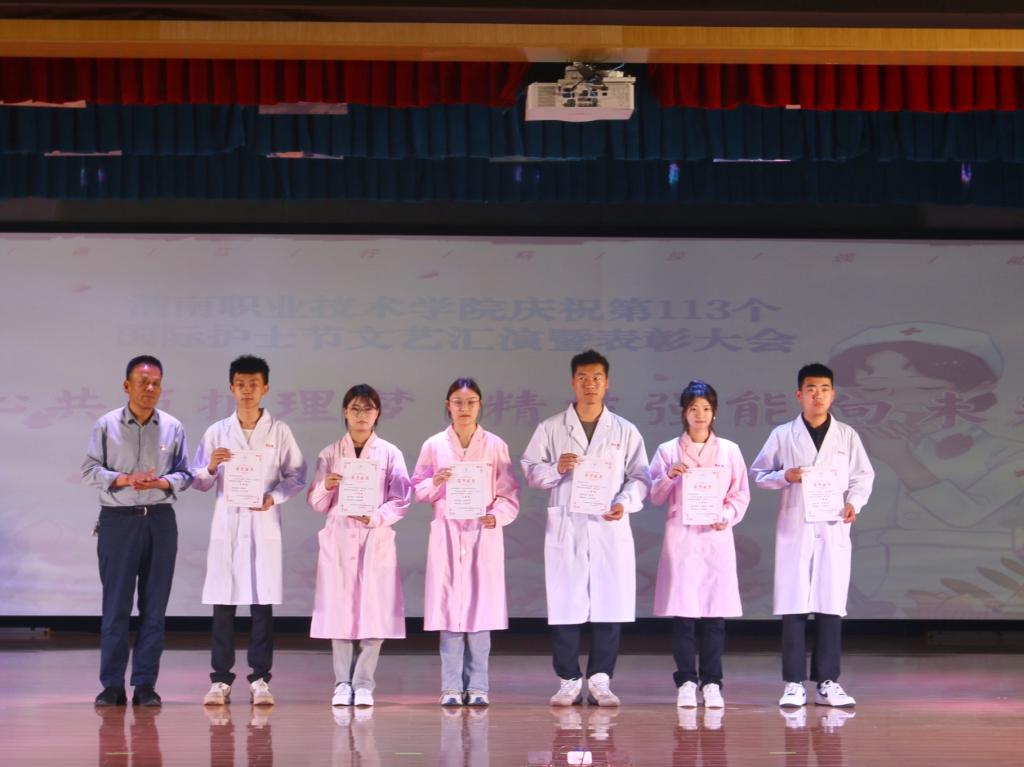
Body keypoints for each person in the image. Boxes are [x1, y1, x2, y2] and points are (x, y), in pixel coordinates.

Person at [828, 322, 1024, 618]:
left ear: (977, 391)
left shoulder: (1006, 452)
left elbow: (964, 515)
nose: (899, 401)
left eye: (926, 388)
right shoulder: (849, 449)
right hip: (860, 590)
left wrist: (899, 458)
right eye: (875, 389)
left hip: (979, 588)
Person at [521, 349, 650, 707]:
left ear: (607, 383)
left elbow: (641, 476)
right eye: (583, 378)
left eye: (596, 378)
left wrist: (624, 502)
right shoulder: (551, 428)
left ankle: (600, 679)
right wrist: (556, 469)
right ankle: (568, 678)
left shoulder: (625, 430)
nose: (590, 385)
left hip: (608, 526)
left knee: (610, 600)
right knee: (565, 600)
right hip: (568, 526)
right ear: (572, 382)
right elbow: (531, 469)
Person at [751, 363, 874, 709]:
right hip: (796, 529)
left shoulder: (847, 435)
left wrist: (853, 503)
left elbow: (863, 476)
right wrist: (785, 476)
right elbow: (758, 474)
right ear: (799, 394)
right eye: (811, 389)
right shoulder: (782, 434)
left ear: (833, 394)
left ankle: (827, 682)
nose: (817, 395)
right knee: (794, 605)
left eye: (824, 389)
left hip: (832, 527)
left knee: (830, 604)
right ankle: (793, 683)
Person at [191, 355, 307, 707]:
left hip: (262, 524)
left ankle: (260, 679)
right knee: (223, 606)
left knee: (261, 606)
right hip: (228, 526)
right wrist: (212, 467)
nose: (246, 391)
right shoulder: (217, 431)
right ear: (231, 388)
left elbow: (297, 475)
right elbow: (197, 480)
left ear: (265, 388)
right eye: (240, 384)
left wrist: (274, 497)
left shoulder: (279, 431)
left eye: (253, 384)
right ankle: (220, 680)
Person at [82, 355, 192, 707]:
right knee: (116, 607)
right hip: (118, 521)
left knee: (154, 608)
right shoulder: (106, 425)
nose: (150, 388)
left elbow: (186, 474)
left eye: (156, 383)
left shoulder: (173, 427)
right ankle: (112, 685)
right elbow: (89, 470)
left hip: (160, 521)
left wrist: (162, 482)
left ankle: (145, 685)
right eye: (143, 382)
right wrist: (125, 478)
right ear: (127, 385)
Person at [411, 377, 520, 707]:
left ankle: (479, 687)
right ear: (448, 406)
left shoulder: (495, 445)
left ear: (480, 405)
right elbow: (417, 490)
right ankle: (450, 687)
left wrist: (496, 516)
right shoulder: (434, 445)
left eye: (471, 402)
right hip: (447, 534)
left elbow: (509, 494)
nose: (464, 408)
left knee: (481, 613)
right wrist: (436, 481)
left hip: (481, 535)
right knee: (449, 612)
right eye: (458, 402)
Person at [308, 384, 411, 708]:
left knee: (374, 611)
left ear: (377, 413)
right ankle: (342, 683)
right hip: (339, 538)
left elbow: (401, 499)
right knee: (339, 612)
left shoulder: (390, 454)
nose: (361, 414)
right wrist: (327, 485)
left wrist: (376, 517)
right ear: (345, 412)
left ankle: (364, 683)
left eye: (368, 408)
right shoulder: (330, 454)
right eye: (355, 408)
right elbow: (316, 502)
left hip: (374, 538)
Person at [650, 380, 750, 709]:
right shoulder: (668, 451)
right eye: (694, 408)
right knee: (684, 616)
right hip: (681, 539)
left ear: (714, 412)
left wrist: (726, 515)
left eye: (706, 408)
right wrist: (669, 476)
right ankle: (685, 681)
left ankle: (712, 682)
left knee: (714, 616)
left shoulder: (730, 451)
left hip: (715, 537)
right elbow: (654, 495)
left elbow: (740, 494)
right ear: (684, 412)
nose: (700, 414)